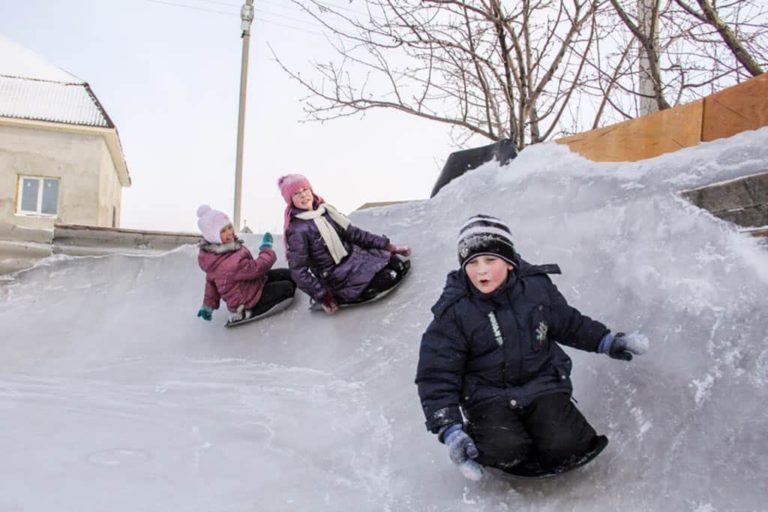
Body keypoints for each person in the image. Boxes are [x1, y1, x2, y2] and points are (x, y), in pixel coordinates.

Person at [415, 214, 649, 481]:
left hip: (541, 384)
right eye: (473, 263)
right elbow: (436, 374)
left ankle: (545, 433)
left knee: (567, 446)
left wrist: (607, 341)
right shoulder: (455, 311)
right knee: (506, 449)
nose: (481, 270)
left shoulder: (536, 289)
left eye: (491, 260)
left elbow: (569, 323)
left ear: (510, 262)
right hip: (488, 396)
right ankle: (495, 437)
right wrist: (450, 429)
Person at [277, 173, 411, 314]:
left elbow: (355, 234)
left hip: (355, 258)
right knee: (389, 277)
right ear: (291, 201)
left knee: (398, 265)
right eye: (297, 194)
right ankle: (344, 295)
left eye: (305, 190)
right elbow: (298, 270)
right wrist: (323, 296)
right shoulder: (297, 230)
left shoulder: (325, 211)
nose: (303, 195)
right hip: (336, 276)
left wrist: (387, 246)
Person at [195, 205, 296, 323]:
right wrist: (266, 248)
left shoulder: (222, 252)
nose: (229, 233)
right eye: (223, 231)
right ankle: (245, 313)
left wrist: (208, 305)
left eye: (229, 227)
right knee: (287, 288)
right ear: (213, 237)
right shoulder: (227, 263)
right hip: (247, 300)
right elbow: (257, 268)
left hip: (253, 285)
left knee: (290, 275)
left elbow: (211, 284)